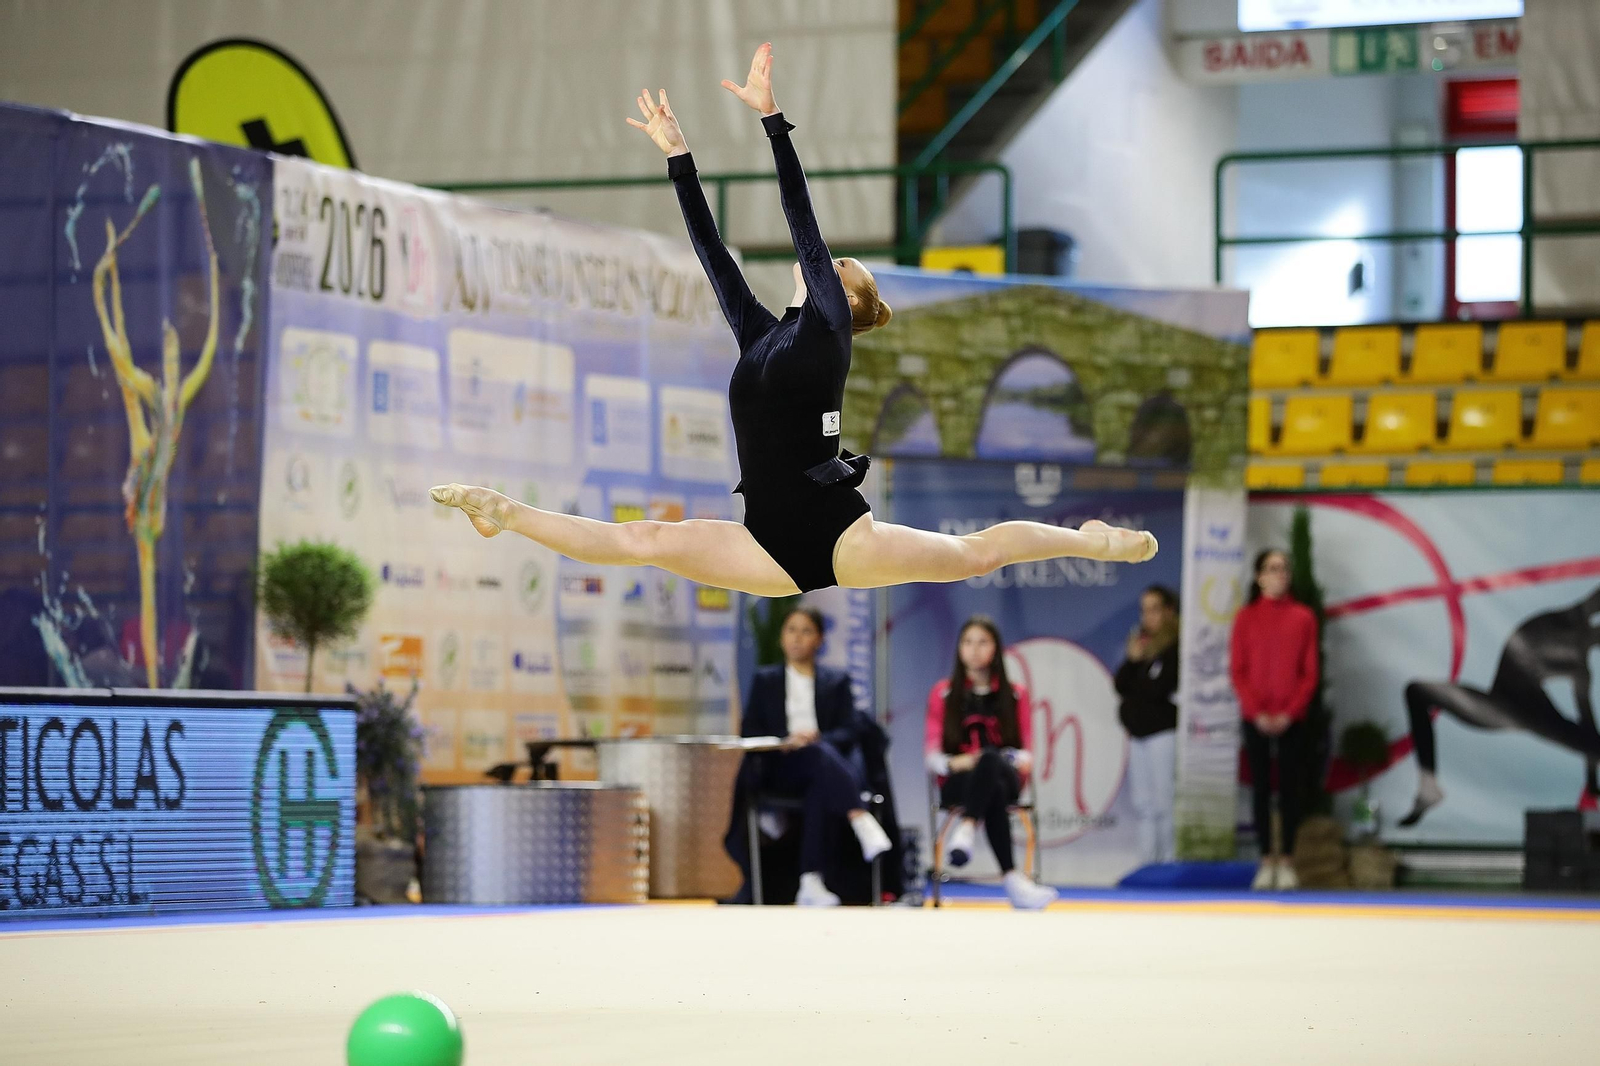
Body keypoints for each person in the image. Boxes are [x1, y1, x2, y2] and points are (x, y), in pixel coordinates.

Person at [429, 43, 1157, 596]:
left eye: (845, 269)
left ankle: (1092, 541)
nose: (835, 263)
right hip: (765, 540)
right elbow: (714, 257)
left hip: (840, 535)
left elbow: (801, 221)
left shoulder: (829, 330)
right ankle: (503, 511)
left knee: (973, 555)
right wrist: (679, 156)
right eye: (839, 265)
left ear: (850, 299)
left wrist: (773, 123)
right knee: (642, 538)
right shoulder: (764, 339)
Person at [731, 604, 891, 906]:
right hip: (780, 766)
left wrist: (818, 738)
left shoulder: (836, 681)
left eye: (806, 631)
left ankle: (810, 882)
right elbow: (749, 730)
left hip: (822, 768)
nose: (797, 638)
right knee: (818, 760)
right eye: (791, 630)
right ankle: (860, 817)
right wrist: (786, 740)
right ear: (781, 638)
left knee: (819, 770)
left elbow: (850, 731)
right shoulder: (766, 681)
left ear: (819, 639)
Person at [1400, 585, 1600, 827]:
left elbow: (1587, 726)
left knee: (1584, 740)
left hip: (1519, 709)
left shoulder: (1578, 661)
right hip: (1500, 704)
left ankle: (1428, 786)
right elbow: (1587, 729)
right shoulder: (1567, 625)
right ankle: (1428, 785)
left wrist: (1592, 785)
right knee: (1417, 691)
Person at [925, 616, 1058, 910]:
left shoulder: (1015, 693)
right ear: (959, 648)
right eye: (968, 642)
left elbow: (1025, 756)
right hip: (960, 782)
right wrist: (959, 762)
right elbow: (934, 758)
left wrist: (994, 758)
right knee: (992, 787)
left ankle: (968, 826)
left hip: (1007, 775)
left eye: (982, 642)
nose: (974, 650)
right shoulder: (943, 693)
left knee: (991, 762)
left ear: (996, 648)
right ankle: (1013, 881)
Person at [1230, 549, 1318, 891]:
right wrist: (1257, 711)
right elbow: (1238, 670)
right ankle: (1266, 858)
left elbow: (1309, 673)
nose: (1279, 574)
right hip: (1256, 718)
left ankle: (1289, 861)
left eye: (1283, 568)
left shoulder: (1303, 617)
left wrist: (1289, 712)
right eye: (1272, 568)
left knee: (1291, 789)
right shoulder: (1246, 618)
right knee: (1262, 789)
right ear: (1259, 576)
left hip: (1291, 718)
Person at [1116, 585, 1180, 866]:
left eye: (1154, 609)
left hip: (1162, 733)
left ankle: (1168, 861)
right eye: (1144, 610)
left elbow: (1158, 689)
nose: (1147, 616)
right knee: (1144, 804)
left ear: (1168, 611)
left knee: (1164, 801)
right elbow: (1120, 685)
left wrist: (1140, 671)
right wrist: (1132, 661)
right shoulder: (1140, 646)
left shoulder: (1175, 647)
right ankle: (1147, 863)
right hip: (1138, 734)